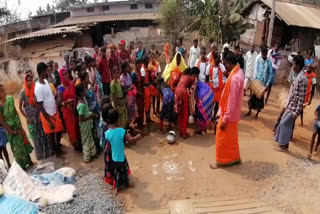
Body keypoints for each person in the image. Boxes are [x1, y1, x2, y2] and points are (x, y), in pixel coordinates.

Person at [210, 51, 244, 169]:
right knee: (232, 139)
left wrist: (224, 119)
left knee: (221, 136)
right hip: (233, 114)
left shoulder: (234, 78)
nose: (224, 66)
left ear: (229, 64)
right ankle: (234, 158)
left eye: (224, 63)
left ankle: (221, 161)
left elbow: (231, 101)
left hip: (229, 114)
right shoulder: (239, 72)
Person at [274, 55, 307, 152]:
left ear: (299, 65)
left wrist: (297, 113)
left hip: (294, 108)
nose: (293, 66)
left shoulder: (302, 79)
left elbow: (301, 98)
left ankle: (284, 146)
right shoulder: (298, 76)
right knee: (285, 124)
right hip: (290, 105)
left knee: (285, 124)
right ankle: (284, 145)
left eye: (294, 64)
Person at [103, 108, 142, 192]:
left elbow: (109, 142)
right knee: (124, 170)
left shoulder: (107, 133)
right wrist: (137, 137)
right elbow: (130, 140)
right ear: (118, 119)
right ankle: (127, 184)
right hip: (121, 157)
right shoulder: (121, 131)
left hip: (114, 157)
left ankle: (116, 187)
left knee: (116, 172)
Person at [19, 73, 53, 160]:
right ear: (25, 81)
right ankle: (40, 155)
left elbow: (39, 102)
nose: (30, 82)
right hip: (30, 118)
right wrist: (26, 117)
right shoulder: (23, 92)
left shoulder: (36, 89)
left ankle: (48, 152)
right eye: (28, 80)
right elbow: (20, 107)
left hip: (38, 114)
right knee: (35, 136)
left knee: (43, 133)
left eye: (31, 80)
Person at [0, 84, 33, 169]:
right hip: (9, 129)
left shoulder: (10, 99)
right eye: (2, 91)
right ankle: (22, 166)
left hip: (17, 125)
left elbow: (16, 112)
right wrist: (11, 131)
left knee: (24, 143)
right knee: (17, 148)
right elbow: (2, 122)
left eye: (4, 90)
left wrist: (20, 126)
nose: (4, 93)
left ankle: (29, 161)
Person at [35, 62, 64, 156]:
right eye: (45, 71)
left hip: (54, 111)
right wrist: (49, 120)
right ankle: (57, 152)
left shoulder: (46, 82)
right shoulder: (38, 88)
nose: (47, 73)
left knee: (59, 130)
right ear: (41, 72)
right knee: (51, 135)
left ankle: (58, 148)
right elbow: (40, 106)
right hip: (48, 115)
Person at [57, 68, 81, 151]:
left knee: (77, 126)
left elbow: (77, 96)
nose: (65, 75)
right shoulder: (61, 88)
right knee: (71, 129)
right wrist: (66, 102)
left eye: (66, 73)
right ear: (61, 76)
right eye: (63, 74)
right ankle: (75, 145)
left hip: (75, 109)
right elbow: (59, 102)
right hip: (67, 112)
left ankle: (80, 144)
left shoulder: (72, 84)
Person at [246, 48, 273, 118]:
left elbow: (270, 74)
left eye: (264, 54)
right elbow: (256, 69)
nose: (263, 56)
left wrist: (267, 84)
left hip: (263, 84)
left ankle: (257, 114)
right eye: (262, 54)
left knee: (260, 100)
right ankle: (249, 111)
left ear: (267, 54)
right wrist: (254, 79)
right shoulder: (259, 60)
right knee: (252, 98)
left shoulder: (269, 62)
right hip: (257, 82)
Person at [79, 71, 101, 152]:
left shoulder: (88, 87)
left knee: (97, 129)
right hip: (91, 112)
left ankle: (97, 146)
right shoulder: (83, 90)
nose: (89, 78)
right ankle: (96, 147)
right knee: (94, 130)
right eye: (87, 77)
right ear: (83, 80)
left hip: (95, 109)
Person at [75, 83, 97, 162]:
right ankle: (87, 157)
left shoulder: (83, 99)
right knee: (86, 140)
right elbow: (81, 119)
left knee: (89, 138)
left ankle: (92, 153)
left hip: (87, 123)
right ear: (81, 92)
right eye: (84, 90)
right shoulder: (81, 105)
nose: (86, 90)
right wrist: (90, 116)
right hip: (84, 124)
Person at [175, 68, 196, 139]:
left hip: (177, 91)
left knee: (180, 112)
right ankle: (184, 133)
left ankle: (180, 132)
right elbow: (194, 81)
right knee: (185, 114)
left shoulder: (182, 75)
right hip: (183, 92)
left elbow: (176, 81)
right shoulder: (190, 77)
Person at [206, 52, 227, 121]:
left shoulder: (221, 66)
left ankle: (215, 116)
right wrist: (208, 83)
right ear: (214, 59)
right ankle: (209, 116)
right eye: (218, 58)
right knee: (211, 104)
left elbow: (226, 74)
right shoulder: (209, 66)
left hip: (219, 88)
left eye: (220, 58)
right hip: (212, 88)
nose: (220, 60)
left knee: (218, 104)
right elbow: (207, 77)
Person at [143, 57, 158, 124]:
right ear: (144, 62)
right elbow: (143, 81)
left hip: (149, 87)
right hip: (145, 88)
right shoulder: (143, 69)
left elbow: (152, 77)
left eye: (148, 62)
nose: (147, 63)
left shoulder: (148, 69)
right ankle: (147, 118)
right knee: (147, 104)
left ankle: (149, 117)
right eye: (146, 62)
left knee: (149, 104)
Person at [132, 60, 145, 128]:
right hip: (136, 94)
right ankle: (138, 123)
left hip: (141, 93)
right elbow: (133, 86)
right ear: (136, 65)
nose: (140, 67)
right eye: (139, 65)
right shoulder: (134, 74)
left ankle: (141, 123)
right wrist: (140, 93)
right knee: (138, 109)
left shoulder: (141, 72)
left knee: (141, 109)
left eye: (140, 65)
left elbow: (143, 82)